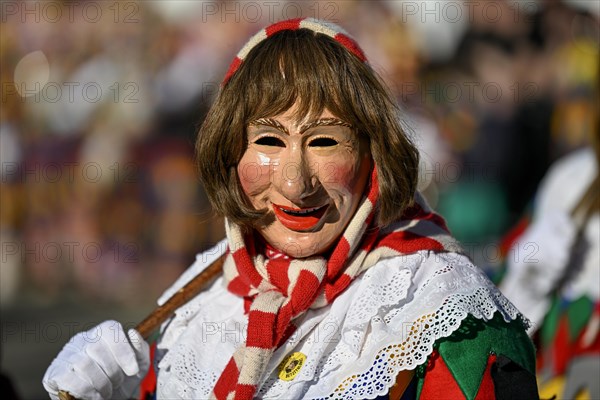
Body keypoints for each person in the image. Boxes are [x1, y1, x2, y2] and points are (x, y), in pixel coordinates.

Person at [43, 18, 539, 400]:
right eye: (268, 141)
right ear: (229, 153)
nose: (295, 183)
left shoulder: (446, 315)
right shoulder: (199, 300)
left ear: (373, 156)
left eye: (324, 141)